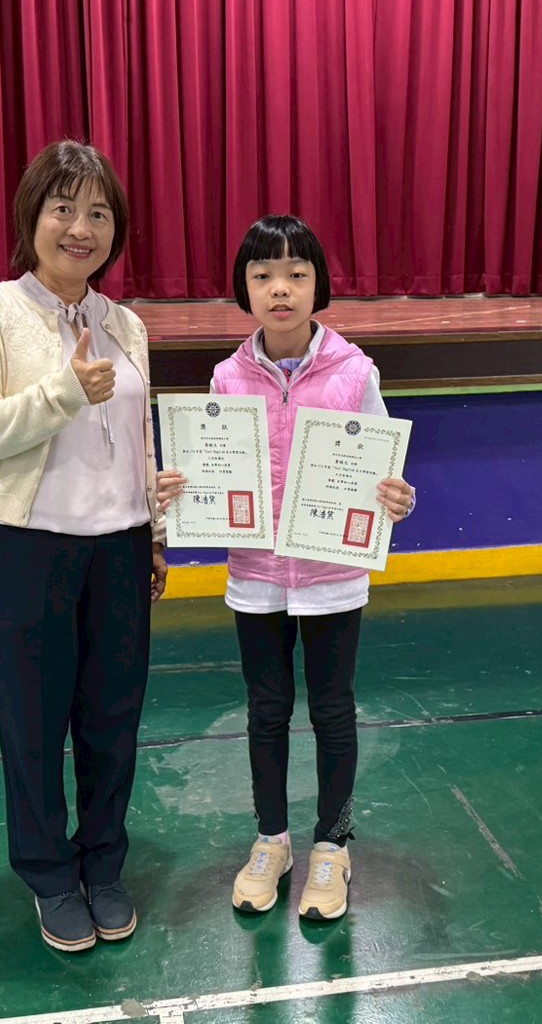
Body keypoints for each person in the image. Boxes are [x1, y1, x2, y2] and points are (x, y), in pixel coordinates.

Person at [0, 140, 169, 953]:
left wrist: (154, 531)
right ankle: (48, 875)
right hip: (23, 547)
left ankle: (103, 864)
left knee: (113, 720)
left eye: (99, 213)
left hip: (119, 548)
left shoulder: (126, 324)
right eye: (63, 208)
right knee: (33, 723)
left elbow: (139, 437)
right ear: (31, 217)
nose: (81, 228)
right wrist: (62, 391)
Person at [156, 214, 416, 922]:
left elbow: (385, 472)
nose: (280, 289)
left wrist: (397, 498)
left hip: (333, 578)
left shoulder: (357, 373)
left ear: (318, 284)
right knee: (266, 711)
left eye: (296, 274)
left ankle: (332, 845)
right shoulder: (225, 376)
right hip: (256, 577)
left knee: (333, 711)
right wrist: (181, 492)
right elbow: (213, 469)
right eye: (263, 275)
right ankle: (272, 840)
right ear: (243, 287)